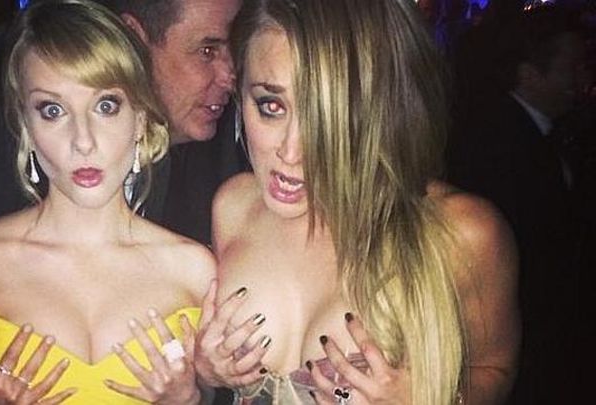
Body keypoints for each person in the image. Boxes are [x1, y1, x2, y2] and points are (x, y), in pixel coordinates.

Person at [0, 0, 244, 402]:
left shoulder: (194, 271)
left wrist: (190, 398)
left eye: (106, 106)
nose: (82, 141)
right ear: (26, 125)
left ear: (140, 117)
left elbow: (212, 384)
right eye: (52, 110)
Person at [194, 0, 520, 404]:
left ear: (378, 112)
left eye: (326, 117)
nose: (291, 153)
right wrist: (206, 371)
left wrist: (426, 398)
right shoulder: (233, 206)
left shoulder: (459, 232)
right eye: (271, 106)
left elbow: (494, 369)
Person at [447, 4, 589, 403]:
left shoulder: (558, 132)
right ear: (529, 74)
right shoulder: (496, 144)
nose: (582, 79)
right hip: (524, 341)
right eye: (571, 68)